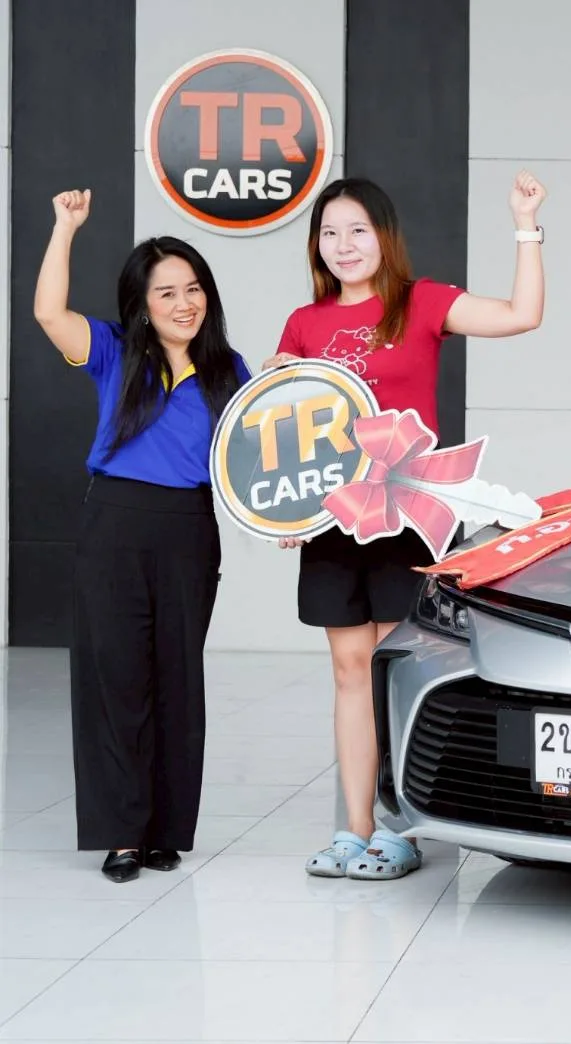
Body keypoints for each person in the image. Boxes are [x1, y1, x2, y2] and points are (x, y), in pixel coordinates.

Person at [263, 172, 546, 880]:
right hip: (333, 521)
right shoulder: (304, 323)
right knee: (348, 670)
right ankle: (352, 828)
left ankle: (400, 831)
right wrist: (284, 507)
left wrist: (525, 224)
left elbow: (522, 316)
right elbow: (286, 432)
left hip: (406, 513)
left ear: (384, 237)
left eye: (357, 230)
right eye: (330, 233)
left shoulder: (422, 303)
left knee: (396, 671)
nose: (343, 245)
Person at [34, 189, 250, 883]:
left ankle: (165, 831)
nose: (184, 303)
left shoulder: (230, 371)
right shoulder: (114, 351)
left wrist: (286, 520)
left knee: (177, 681)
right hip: (115, 525)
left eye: (194, 289)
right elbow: (48, 313)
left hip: (190, 530)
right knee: (117, 677)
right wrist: (65, 228)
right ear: (142, 302)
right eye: (167, 292)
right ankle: (121, 833)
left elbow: (252, 464)